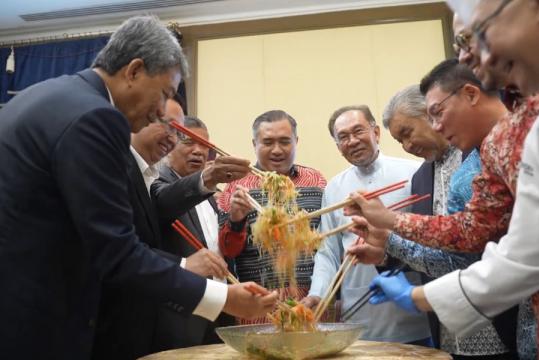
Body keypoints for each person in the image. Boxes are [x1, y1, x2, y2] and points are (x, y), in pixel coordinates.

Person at [0, 16, 277, 359]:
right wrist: (224, 298)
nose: (160, 113)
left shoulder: (42, 96)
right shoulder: (96, 117)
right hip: (44, 327)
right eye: (164, 95)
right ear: (134, 70)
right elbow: (116, 252)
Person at [351, 0, 539, 356]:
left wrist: (391, 229)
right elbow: (527, 252)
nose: (477, 60)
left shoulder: (525, 128)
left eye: (478, 36)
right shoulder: (538, 126)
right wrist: (417, 296)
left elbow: (473, 235)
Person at [379, 82, 518, 359]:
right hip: (449, 327)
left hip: (502, 315)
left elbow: (470, 243)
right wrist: (386, 250)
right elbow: (438, 246)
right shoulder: (419, 177)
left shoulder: (480, 154)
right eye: (399, 141)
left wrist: (389, 231)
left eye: (407, 132)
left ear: (431, 114)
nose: (407, 146)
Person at [300, 105, 429, 344]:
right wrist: (318, 293)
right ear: (338, 147)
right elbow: (328, 252)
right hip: (358, 313)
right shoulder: (334, 187)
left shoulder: (414, 174)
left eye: (358, 131)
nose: (352, 141)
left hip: (411, 305)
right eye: (343, 137)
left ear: (376, 133)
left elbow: (429, 237)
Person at [218, 110, 327, 324]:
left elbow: (329, 246)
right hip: (258, 307)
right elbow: (227, 251)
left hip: (313, 305)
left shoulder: (317, 181)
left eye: (285, 142)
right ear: (254, 143)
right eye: (267, 142)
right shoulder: (235, 188)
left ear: (296, 141)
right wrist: (236, 219)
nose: (277, 150)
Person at [152, 115, 235, 347]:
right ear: (169, 145)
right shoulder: (157, 184)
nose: (199, 151)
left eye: (205, 146)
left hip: (218, 308)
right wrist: (206, 179)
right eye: (189, 142)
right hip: (181, 313)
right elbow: (165, 202)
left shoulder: (210, 195)